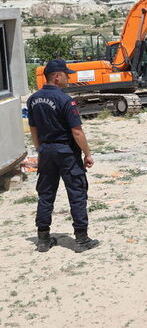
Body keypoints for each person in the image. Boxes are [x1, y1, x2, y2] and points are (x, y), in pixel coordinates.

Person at [27, 59, 99, 253]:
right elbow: (77, 131)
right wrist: (87, 153)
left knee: (46, 195)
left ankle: (43, 239)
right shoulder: (65, 100)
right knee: (76, 194)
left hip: (47, 152)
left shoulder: (33, 99)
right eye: (66, 75)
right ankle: (82, 240)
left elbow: (33, 129)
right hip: (66, 152)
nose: (69, 78)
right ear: (57, 77)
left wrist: (40, 149)